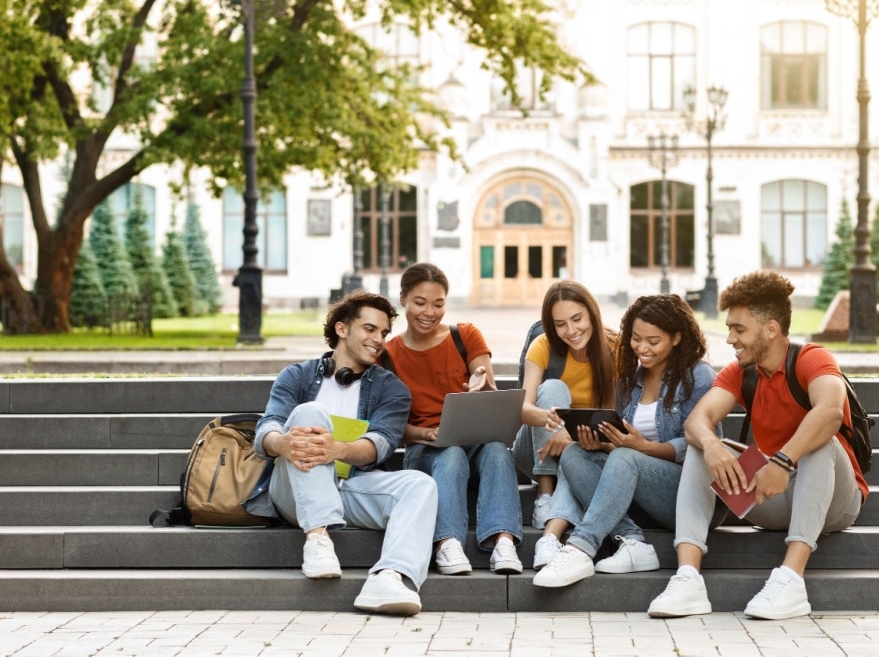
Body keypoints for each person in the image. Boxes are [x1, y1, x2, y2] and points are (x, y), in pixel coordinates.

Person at [647, 271, 868, 620]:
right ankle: (688, 579)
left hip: (834, 501)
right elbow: (696, 422)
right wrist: (714, 445)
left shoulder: (813, 358)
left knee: (820, 442)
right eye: (730, 328)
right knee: (702, 446)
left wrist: (781, 462)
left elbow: (828, 412)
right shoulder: (741, 371)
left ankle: (791, 580)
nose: (730, 338)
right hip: (772, 497)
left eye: (739, 329)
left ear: (771, 329)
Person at [244, 290, 437, 616]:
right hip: (293, 491)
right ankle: (318, 539)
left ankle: (390, 577)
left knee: (421, 484)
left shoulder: (391, 389)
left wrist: (336, 449)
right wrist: (282, 443)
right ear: (342, 329)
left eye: (384, 333)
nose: (379, 339)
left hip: (350, 488)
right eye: (369, 329)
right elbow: (267, 429)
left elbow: (379, 446)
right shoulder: (297, 376)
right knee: (310, 414)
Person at [532, 294, 717, 587]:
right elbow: (623, 440)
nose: (642, 348)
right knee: (575, 455)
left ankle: (581, 546)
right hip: (636, 492)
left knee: (625, 457)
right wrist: (603, 442)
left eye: (653, 341)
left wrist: (644, 448)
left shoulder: (699, 376)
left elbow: (700, 445)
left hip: (686, 496)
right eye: (635, 338)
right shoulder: (631, 378)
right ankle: (633, 542)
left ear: (677, 338)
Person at [386, 263, 524, 577]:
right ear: (403, 299)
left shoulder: (465, 335)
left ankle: (503, 541)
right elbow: (392, 427)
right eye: (420, 302)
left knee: (495, 451)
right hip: (426, 451)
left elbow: (490, 393)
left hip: (473, 444)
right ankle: (446, 543)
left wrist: (484, 386)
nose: (429, 312)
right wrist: (425, 433)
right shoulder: (389, 355)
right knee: (449, 454)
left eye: (438, 304)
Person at [511, 280, 618, 570]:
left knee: (576, 458)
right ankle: (544, 493)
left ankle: (549, 540)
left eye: (577, 319)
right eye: (560, 324)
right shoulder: (543, 345)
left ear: (592, 314)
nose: (571, 331)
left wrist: (570, 440)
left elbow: (614, 416)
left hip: (585, 447)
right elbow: (522, 407)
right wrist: (554, 423)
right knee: (553, 388)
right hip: (534, 449)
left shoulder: (615, 348)